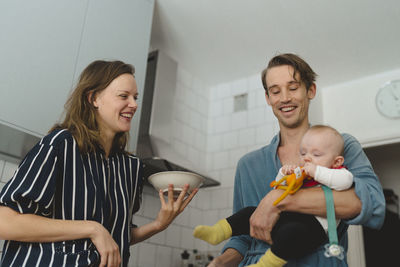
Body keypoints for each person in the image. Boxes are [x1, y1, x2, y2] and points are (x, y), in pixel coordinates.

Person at [0, 60, 198, 267]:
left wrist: (158, 225)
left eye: (135, 97)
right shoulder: (61, 144)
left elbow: (115, 238)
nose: (134, 104)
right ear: (93, 98)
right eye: (124, 96)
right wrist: (92, 228)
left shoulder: (131, 167)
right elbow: (5, 222)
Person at [207, 53, 385, 267]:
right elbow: (245, 235)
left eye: (293, 88)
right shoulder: (248, 164)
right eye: (275, 91)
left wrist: (277, 201)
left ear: (311, 90)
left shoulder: (342, 146)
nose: (284, 98)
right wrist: (222, 261)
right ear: (268, 98)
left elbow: (372, 204)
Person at [194, 125, 354, 266]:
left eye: (316, 154)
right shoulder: (304, 174)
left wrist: (316, 171)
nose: (307, 158)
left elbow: (345, 182)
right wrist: (284, 173)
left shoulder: (339, 173)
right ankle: (218, 231)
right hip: (289, 218)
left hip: (313, 228)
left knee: (290, 233)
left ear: (337, 161)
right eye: (303, 153)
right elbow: (280, 188)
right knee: (250, 211)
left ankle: (265, 264)